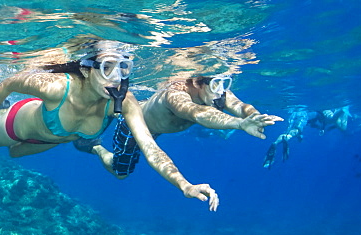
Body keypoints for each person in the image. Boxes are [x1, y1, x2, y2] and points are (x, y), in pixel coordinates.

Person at [0, 42, 219, 211]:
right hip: (21, 125)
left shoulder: (124, 103)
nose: (115, 78)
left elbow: (149, 147)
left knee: (16, 155)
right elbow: (10, 84)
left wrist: (184, 184)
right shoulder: (58, 87)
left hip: (54, 140)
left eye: (123, 69)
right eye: (107, 67)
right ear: (88, 70)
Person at [79, 75, 283, 177]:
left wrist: (254, 117)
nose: (219, 92)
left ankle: (109, 112)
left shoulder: (214, 90)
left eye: (223, 84)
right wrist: (239, 124)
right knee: (121, 173)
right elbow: (198, 113)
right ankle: (95, 147)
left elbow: (241, 106)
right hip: (135, 125)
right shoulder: (175, 94)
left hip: (156, 127)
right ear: (196, 83)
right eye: (214, 86)